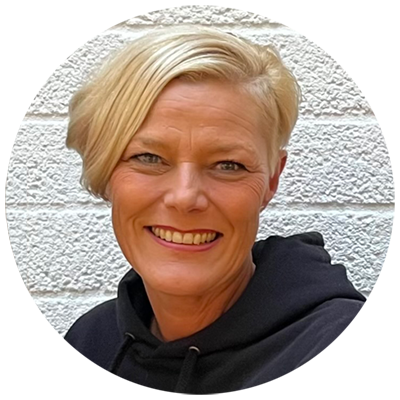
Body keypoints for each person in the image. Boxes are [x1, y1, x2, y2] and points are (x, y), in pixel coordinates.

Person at [63, 25, 393, 394]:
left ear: (271, 180)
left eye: (228, 165)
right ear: (105, 171)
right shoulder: (87, 343)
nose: (185, 197)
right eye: (149, 158)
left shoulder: (352, 350)